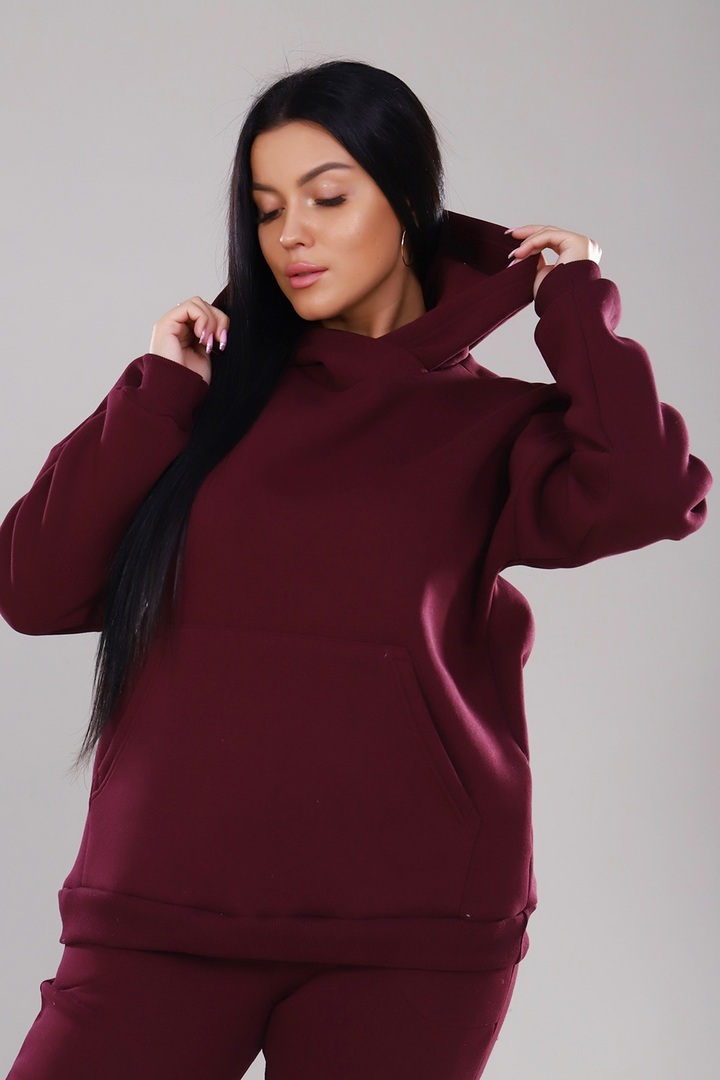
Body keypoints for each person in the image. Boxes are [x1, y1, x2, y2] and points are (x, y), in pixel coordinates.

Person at [0, 58, 711, 1080]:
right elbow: (32, 588)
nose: (290, 233)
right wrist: (157, 391)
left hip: (411, 932)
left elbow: (653, 492)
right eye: (267, 209)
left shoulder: (492, 424)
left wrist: (572, 301)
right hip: (162, 907)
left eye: (327, 198)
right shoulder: (204, 394)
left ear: (410, 204)